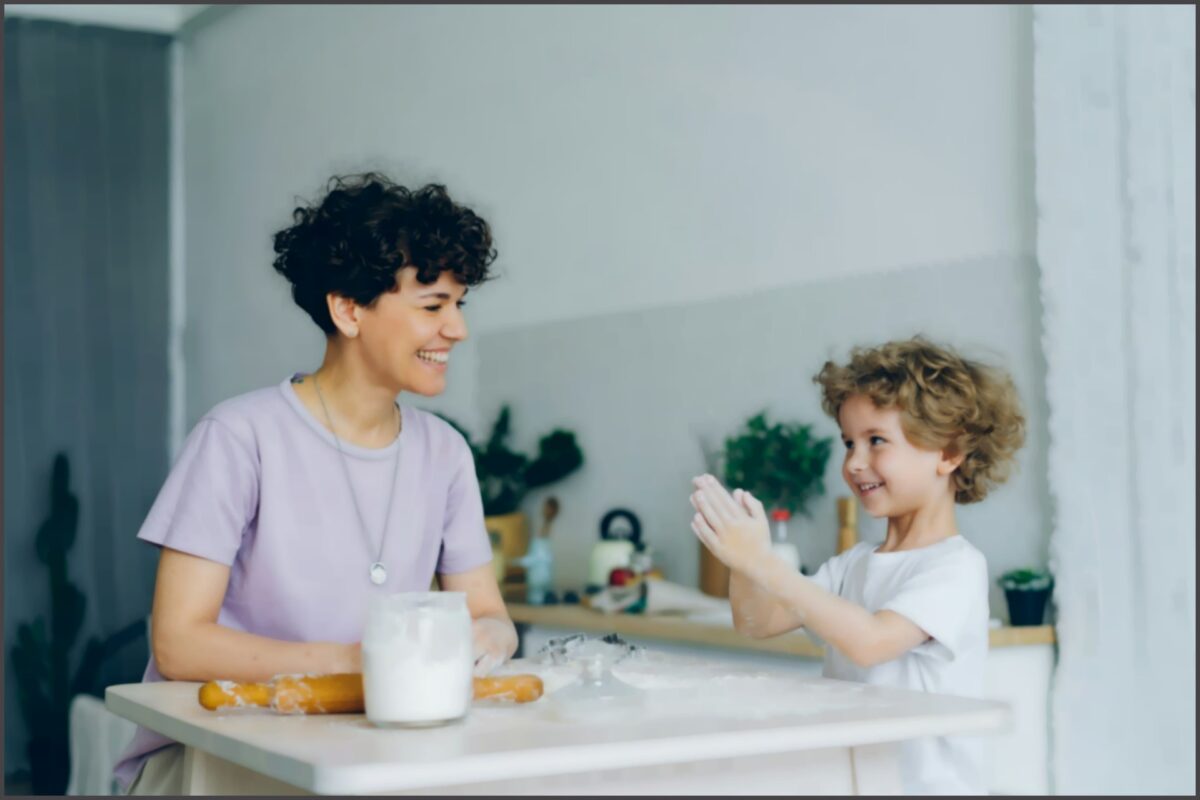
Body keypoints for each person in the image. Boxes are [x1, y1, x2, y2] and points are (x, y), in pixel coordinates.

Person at [114, 173, 518, 794]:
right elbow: (178, 643)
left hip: (359, 753)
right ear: (348, 309)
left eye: (459, 305)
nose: (456, 329)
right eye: (433, 306)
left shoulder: (446, 454)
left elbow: (489, 613)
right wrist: (359, 663)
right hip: (222, 757)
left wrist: (485, 639)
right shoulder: (238, 437)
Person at [689, 337, 1025, 794]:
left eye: (877, 441)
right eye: (849, 442)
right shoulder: (855, 565)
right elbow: (756, 622)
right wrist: (743, 560)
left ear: (948, 452)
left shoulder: (956, 567)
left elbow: (871, 641)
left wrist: (764, 563)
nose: (854, 462)